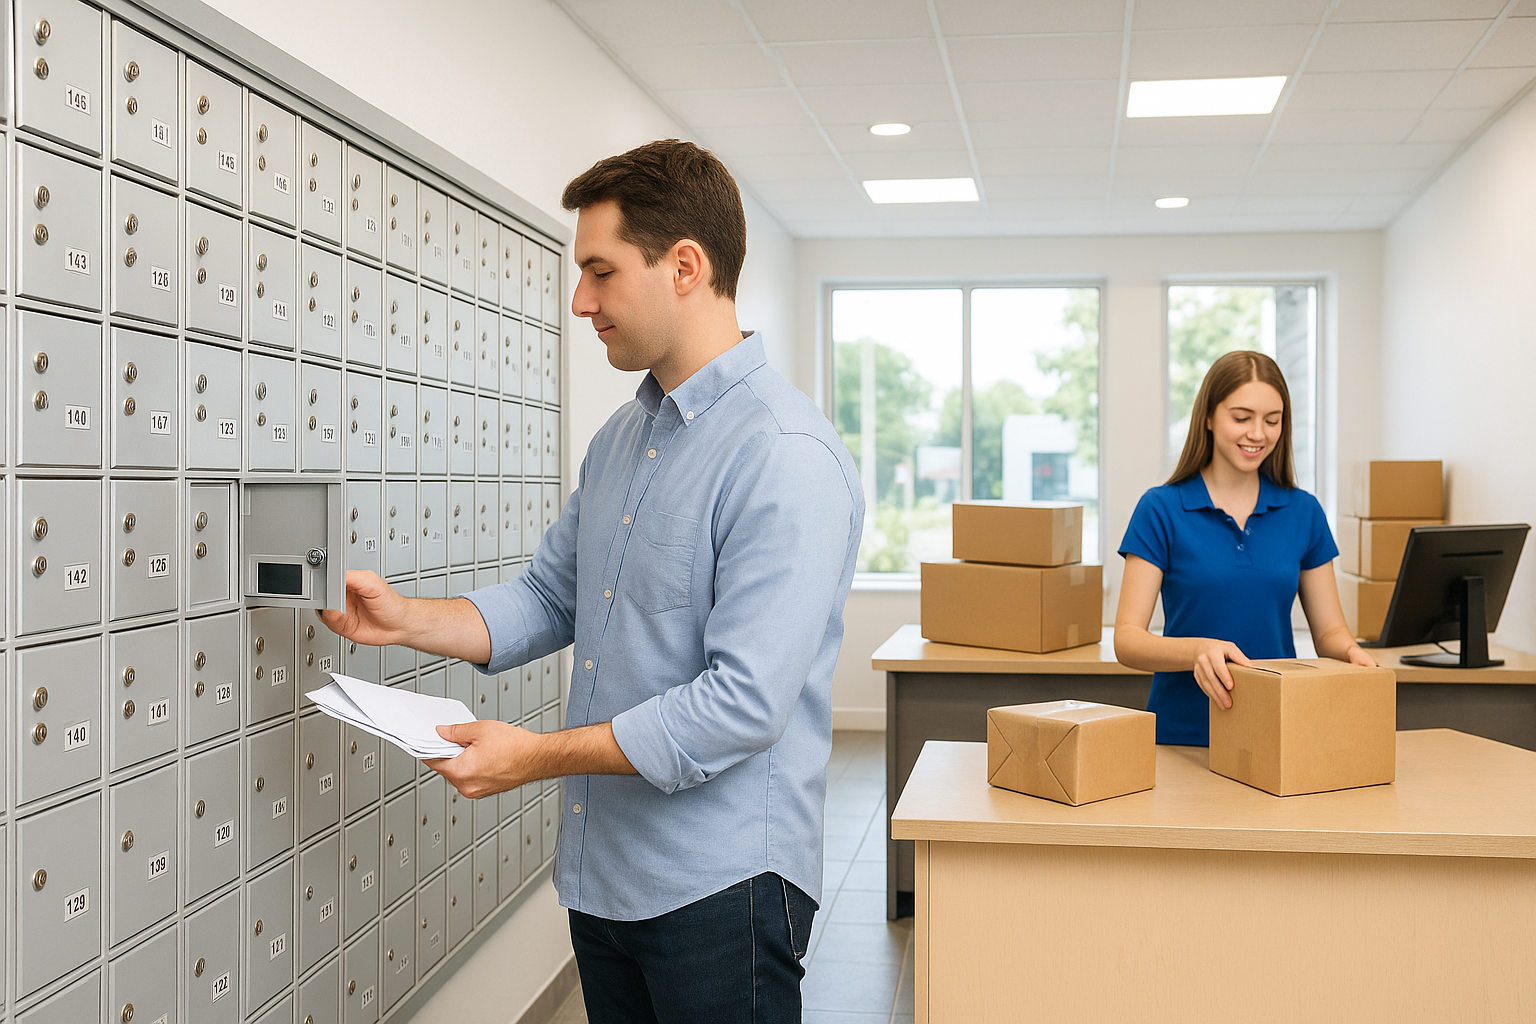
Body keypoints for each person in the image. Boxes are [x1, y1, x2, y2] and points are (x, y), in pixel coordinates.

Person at [318, 139, 863, 1023]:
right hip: (605, 878)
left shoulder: (785, 456)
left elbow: (742, 706)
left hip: (722, 887)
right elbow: (551, 598)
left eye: (601, 272)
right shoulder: (622, 439)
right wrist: (406, 620)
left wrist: (533, 757)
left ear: (685, 265)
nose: (581, 302)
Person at [1114, 349, 1374, 745]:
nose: (1258, 433)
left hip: (1276, 732)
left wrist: (1352, 653)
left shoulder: (1303, 511)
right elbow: (1128, 639)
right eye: (1241, 418)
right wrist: (1198, 650)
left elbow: (1330, 631)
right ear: (1208, 418)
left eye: (1272, 421)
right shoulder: (1161, 508)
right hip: (1181, 736)